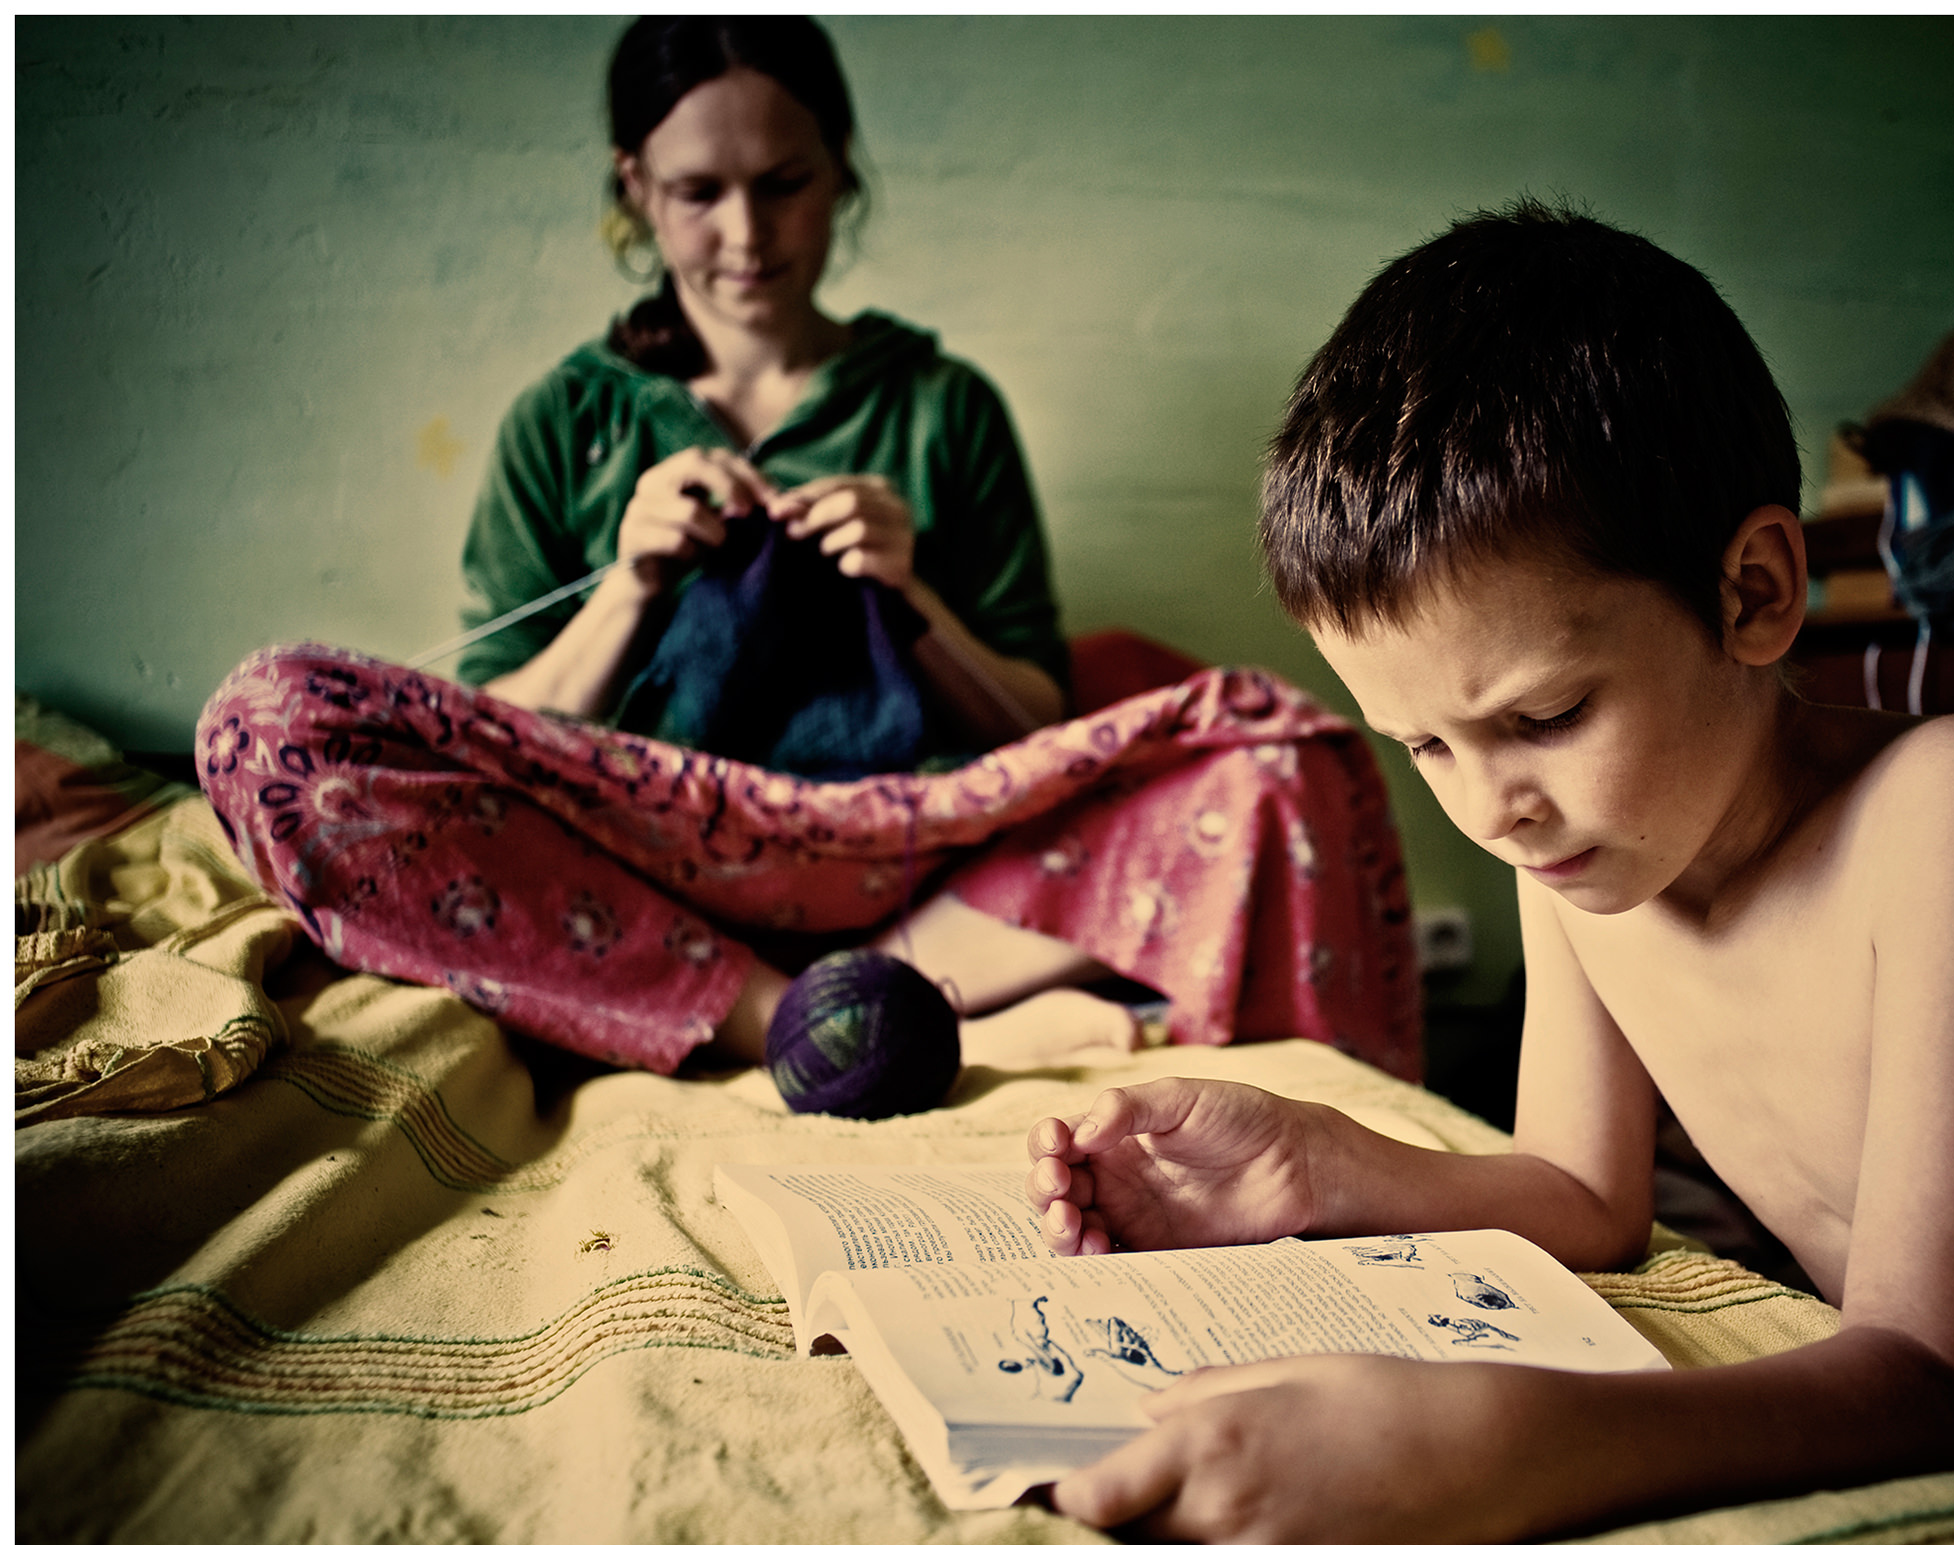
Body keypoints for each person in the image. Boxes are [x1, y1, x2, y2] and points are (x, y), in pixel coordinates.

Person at [1023, 201, 1954, 1545]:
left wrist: (1486, 1443)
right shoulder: (1579, 856)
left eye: (1546, 713)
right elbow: (1585, 1194)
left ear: (1755, 590)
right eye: (1427, 744)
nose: (1491, 806)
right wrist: (1312, 1162)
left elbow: (1927, 1370)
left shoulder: (1952, 809)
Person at [197, 17, 1421, 1105]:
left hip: (913, 856)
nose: (745, 233)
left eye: (783, 183)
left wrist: (911, 594)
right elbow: (494, 727)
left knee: (1278, 758)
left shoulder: (944, 408)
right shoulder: (565, 422)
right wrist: (629, 584)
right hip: (642, 872)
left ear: (841, 170)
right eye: (697, 192)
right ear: (635, 186)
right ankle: (794, 1014)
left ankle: (872, 992)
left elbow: (1034, 718)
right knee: (267, 720)